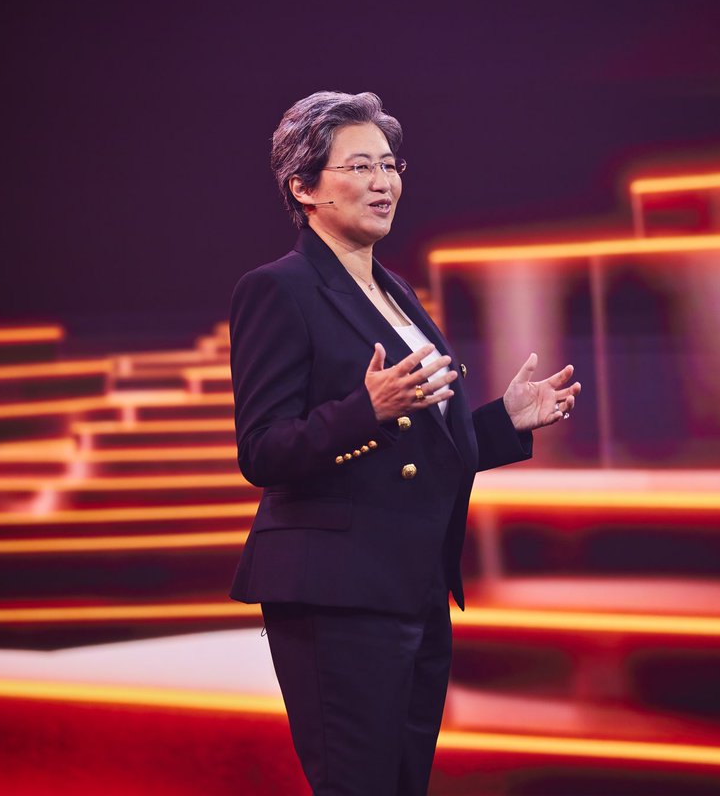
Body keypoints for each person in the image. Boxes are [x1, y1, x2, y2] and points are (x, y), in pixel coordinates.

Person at [228, 91, 581, 796]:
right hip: (337, 589)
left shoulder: (395, 293)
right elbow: (262, 450)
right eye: (359, 166)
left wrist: (503, 423)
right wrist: (365, 409)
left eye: (389, 165)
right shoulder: (278, 290)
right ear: (304, 187)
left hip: (414, 582)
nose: (383, 181)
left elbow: (420, 447)